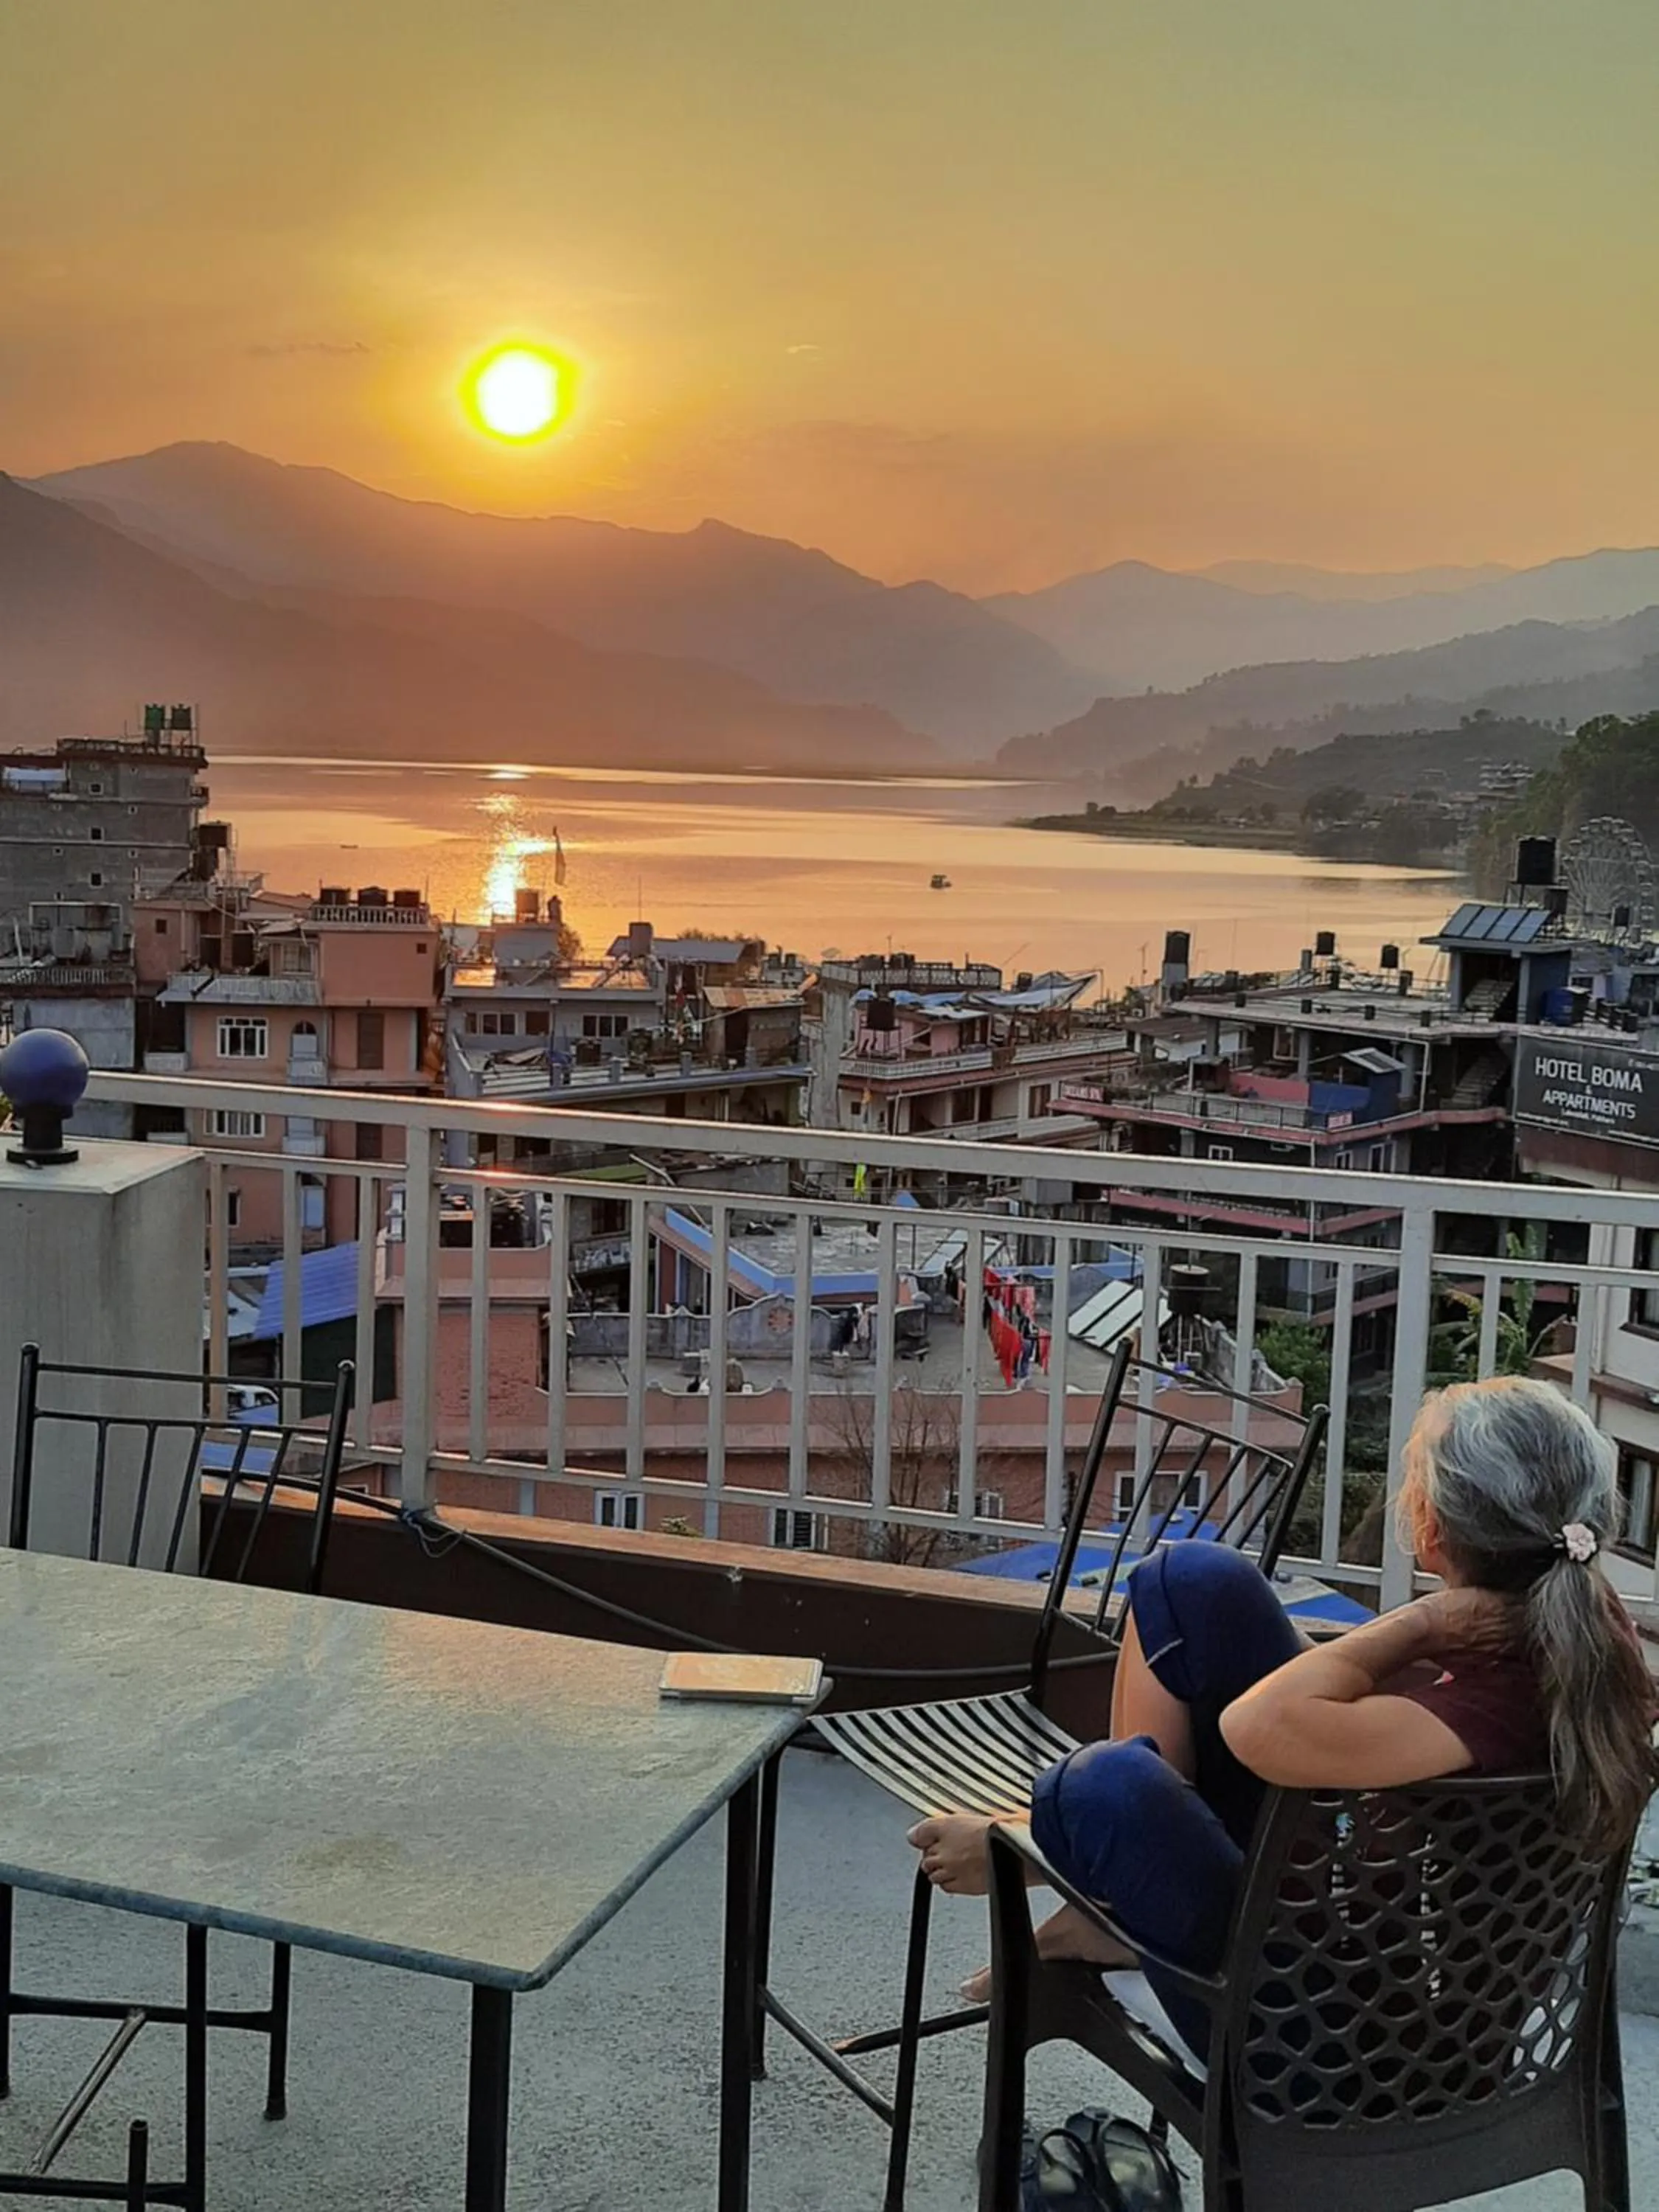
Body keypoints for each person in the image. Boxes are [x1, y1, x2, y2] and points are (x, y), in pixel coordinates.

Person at [909, 1377, 1659, 2045]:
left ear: (1431, 1529)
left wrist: (1423, 1622)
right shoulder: (1587, 1627)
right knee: (1192, 1581)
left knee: (1102, 1788)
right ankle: (1117, 1909)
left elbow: (1254, 1727)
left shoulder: (1485, 1705)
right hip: (1360, 1943)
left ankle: (1045, 1868)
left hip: (1322, 2043)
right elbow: (1340, 1705)